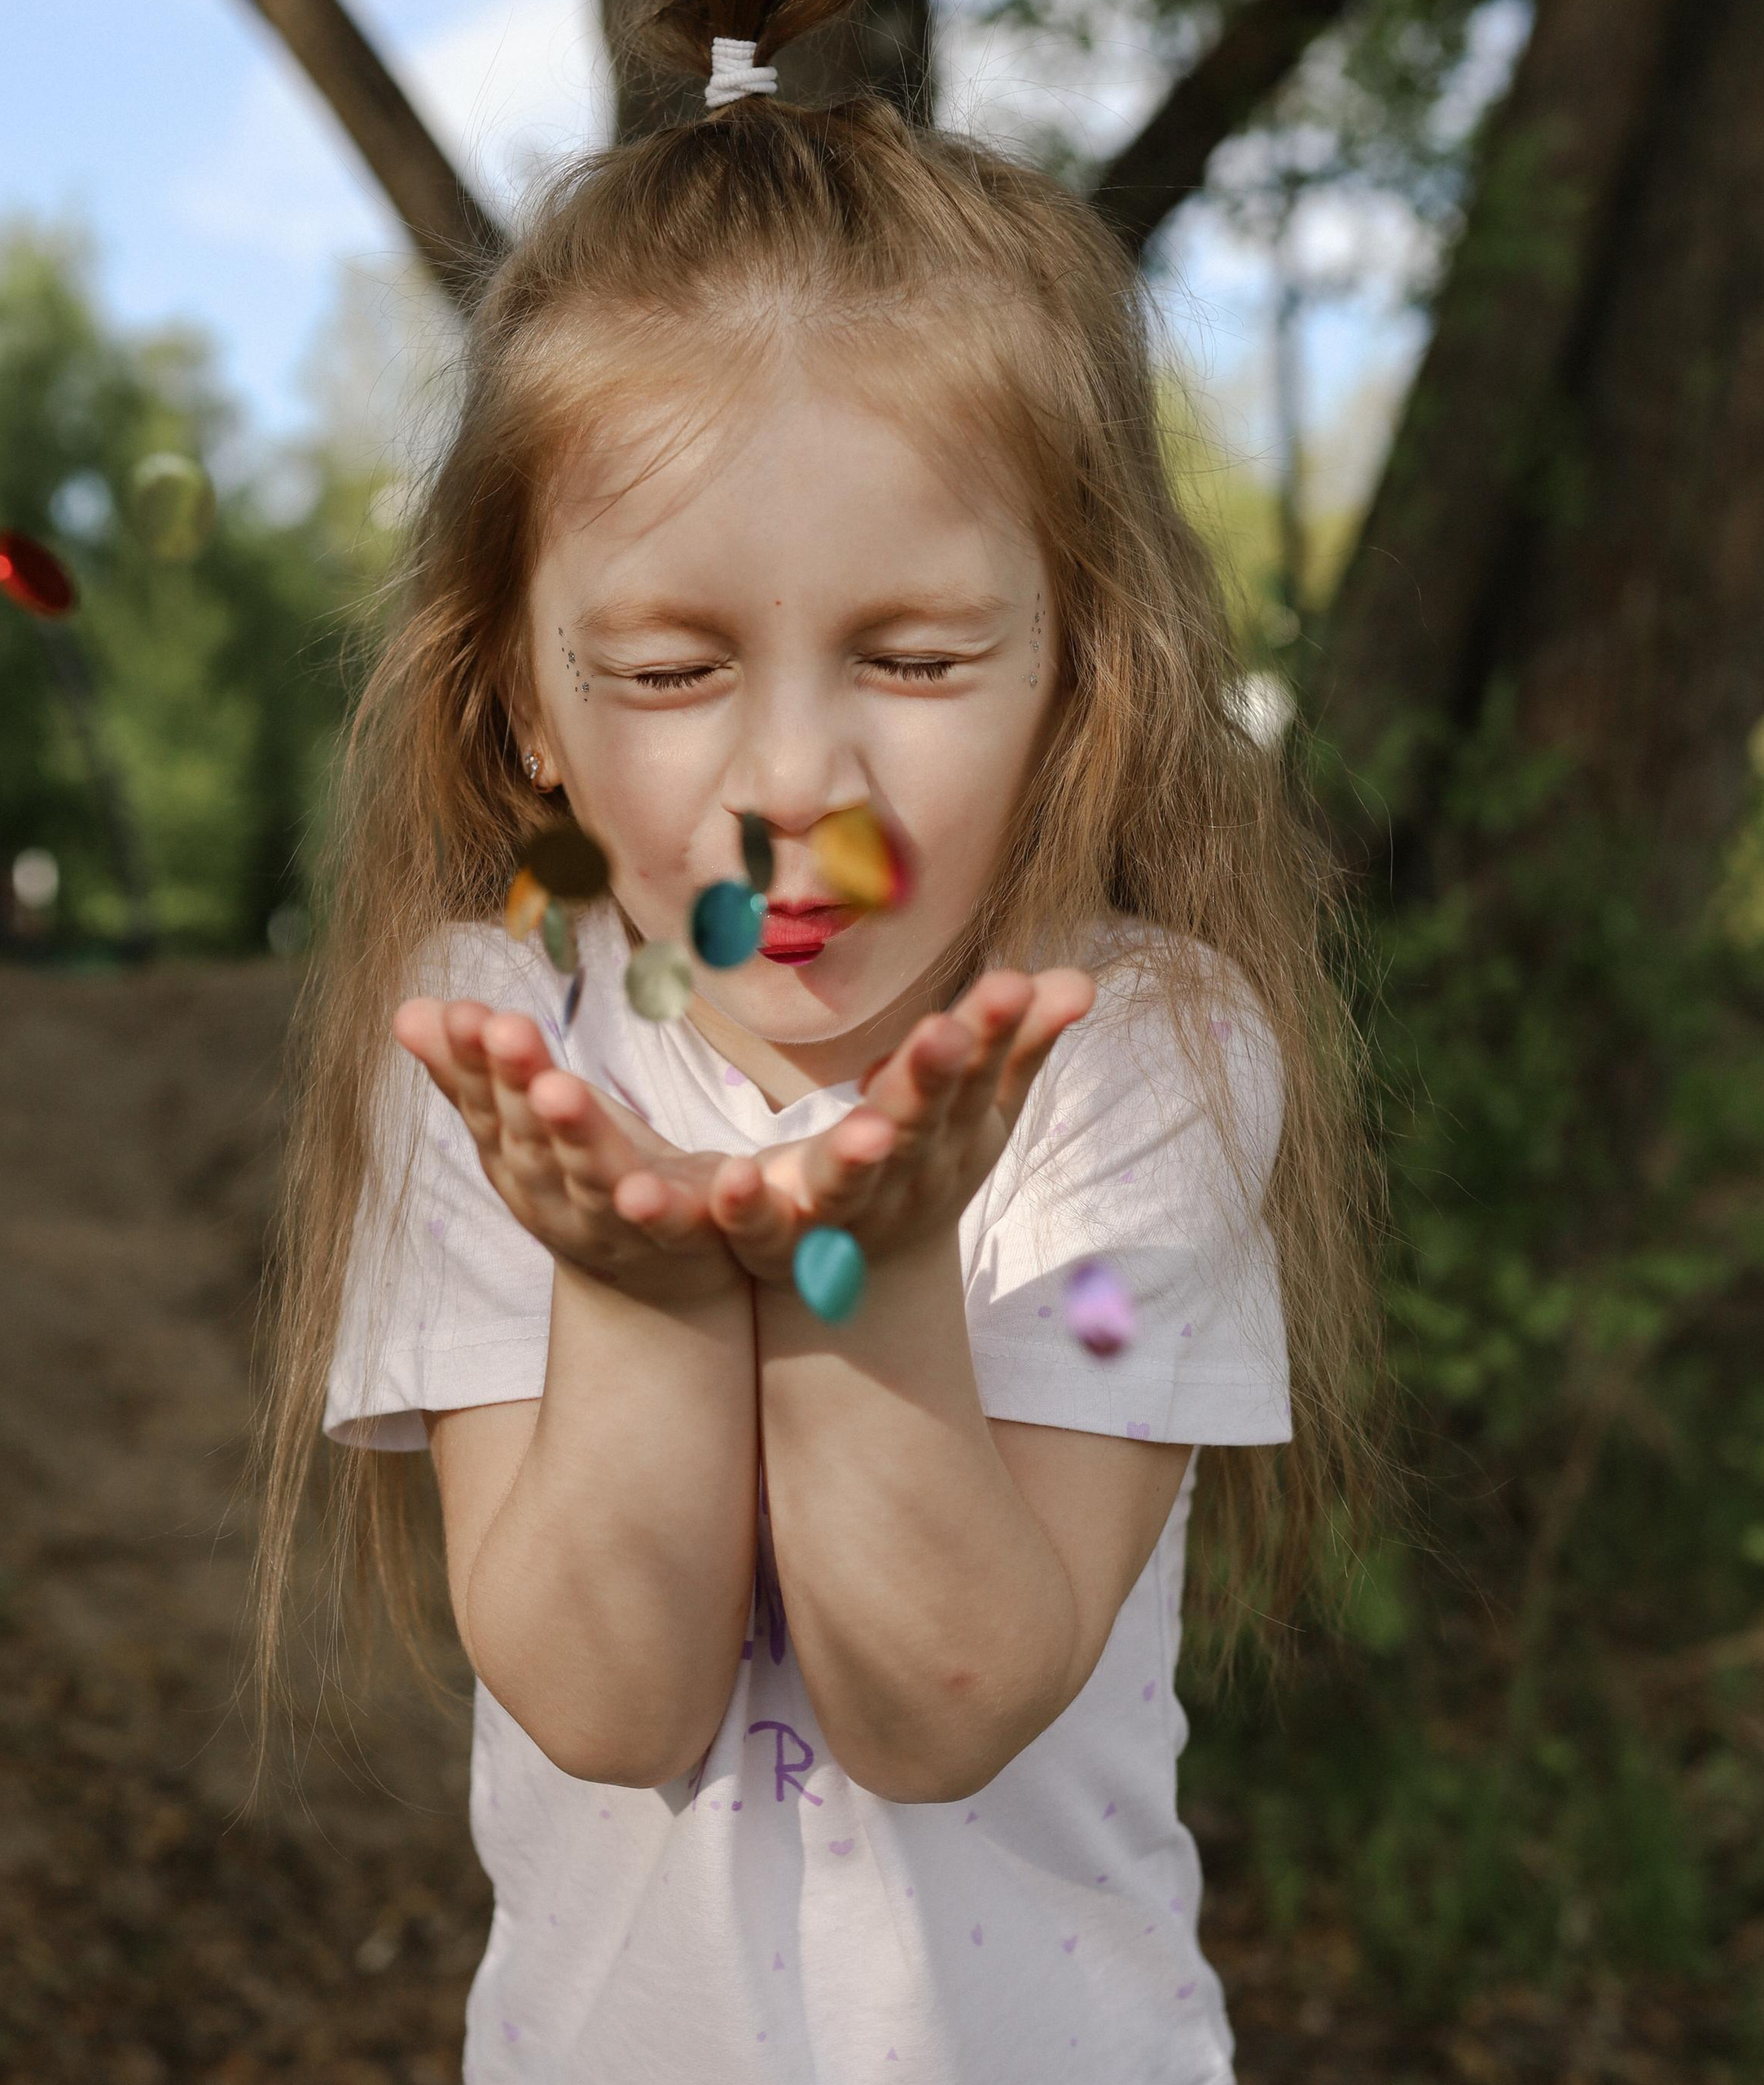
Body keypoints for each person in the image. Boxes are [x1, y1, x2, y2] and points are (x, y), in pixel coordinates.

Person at [249, 2, 1391, 2078]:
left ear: (1076, 665)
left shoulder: (1129, 1059)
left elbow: (943, 1701)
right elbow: (609, 1702)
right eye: (673, 666)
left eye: (921, 654)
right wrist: (642, 1284)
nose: (797, 780)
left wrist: (849, 1283)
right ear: (517, 694)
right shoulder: (492, 1042)